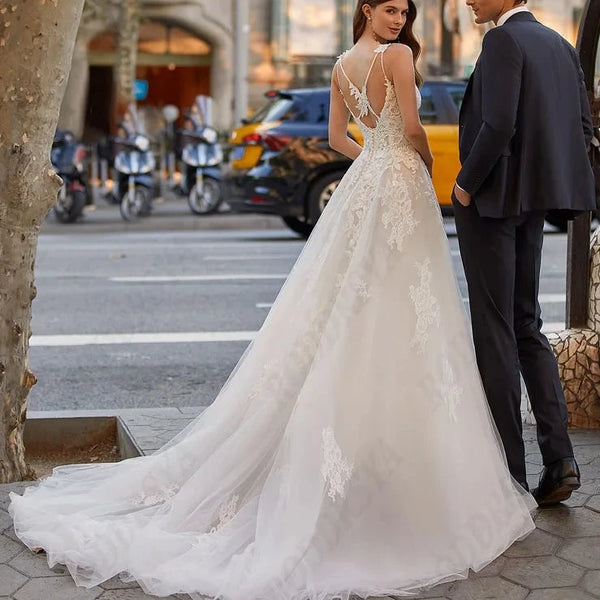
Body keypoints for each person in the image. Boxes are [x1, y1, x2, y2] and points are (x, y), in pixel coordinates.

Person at [9, 1, 535, 598]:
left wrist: (371, 164)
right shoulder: (398, 58)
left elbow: (339, 136)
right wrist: (416, 160)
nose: (398, 19)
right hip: (401, 187)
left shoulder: (341, 63)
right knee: (406, 306)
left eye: (404, 12)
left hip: (366, 186)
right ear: (367, 7)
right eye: (391, 8)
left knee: (362, 304)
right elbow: (413, 128)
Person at [452, 0, 596, 506]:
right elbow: (582, 127)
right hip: (532, 202)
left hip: (491, 202)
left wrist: (464, 188)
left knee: (494, 332)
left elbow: (497, 124)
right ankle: (560, 461)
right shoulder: (560, 45)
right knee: (527, 325)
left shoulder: (501, 40)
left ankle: (507, 478)